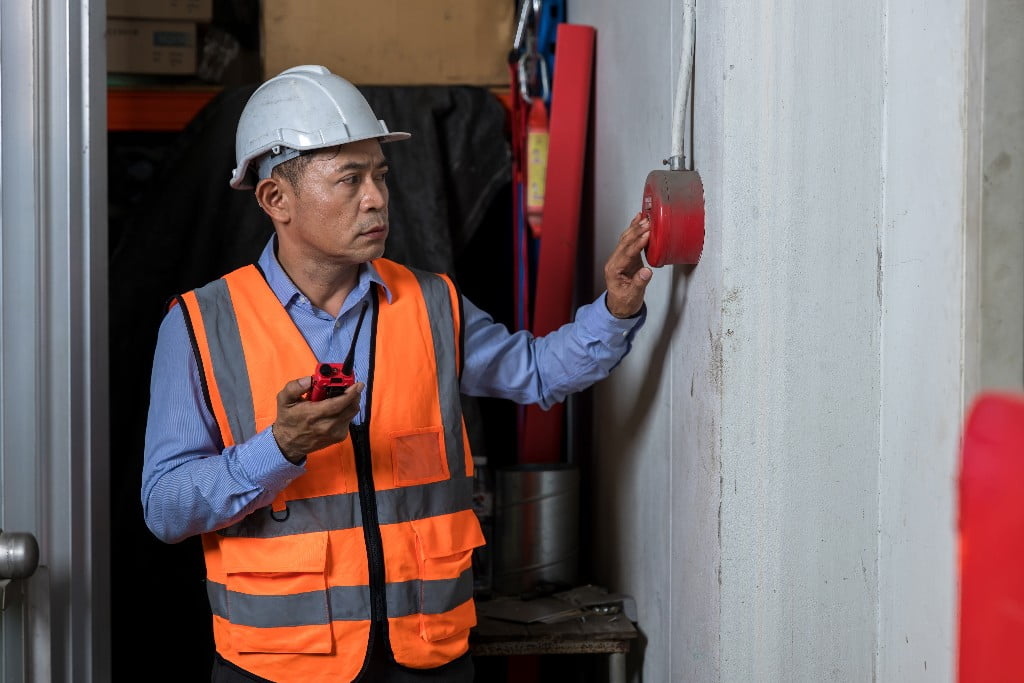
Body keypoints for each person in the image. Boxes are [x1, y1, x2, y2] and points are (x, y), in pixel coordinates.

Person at [141, 65, 652, 683]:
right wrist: (278, 449)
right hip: (279, 667)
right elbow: (166, 507)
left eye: (380, 175)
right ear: (276, 199)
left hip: (427, 657)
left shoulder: (433, 303)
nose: (377, 197)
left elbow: (538, 372)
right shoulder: (200, 325)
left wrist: (616, 309)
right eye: (349, 179)